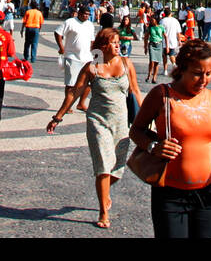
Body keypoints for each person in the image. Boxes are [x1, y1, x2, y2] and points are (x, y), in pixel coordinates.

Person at [129, 40, 211, 239]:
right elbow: (136, 130)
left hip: (206, 194)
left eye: (209, 73)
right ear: (182, 69)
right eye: (197, 73)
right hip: (170, 194)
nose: (203, 80)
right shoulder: (162, 95)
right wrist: (153, 146)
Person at [47, 28, 142, 228]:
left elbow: (135, 90)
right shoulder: (92, 68)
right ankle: (103, 211)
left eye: (118, 42)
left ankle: (104, 191)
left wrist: (145, 118)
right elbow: (74, 93)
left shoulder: (126, 64)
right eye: (114, 42)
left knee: (116, 168)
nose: (118, 46)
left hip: (121, 123)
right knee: (103, 167)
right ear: (103, 46)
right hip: (98, 122)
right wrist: (58, 117)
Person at [55, 5, 95, 111]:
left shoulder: (90, 25)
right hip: (72, 56)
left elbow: (92, 40)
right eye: (84, 14)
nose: (86, 16)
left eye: (88, 15)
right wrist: (61, 47)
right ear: (79, 13)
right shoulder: (70, 22)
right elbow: (58, 33)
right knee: (71, 83)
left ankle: (81, 103)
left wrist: (93, 51)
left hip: (86, 57)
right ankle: (67, 105)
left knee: (89, 83)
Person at [145, 12, 165, 82]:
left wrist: (167, 46)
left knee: (157, 62)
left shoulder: (161, 27)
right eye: (151, 20)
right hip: (152, 44)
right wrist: (145, 47)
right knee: (152, 60)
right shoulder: (150, 28)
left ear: (156, 20)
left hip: (159, 44)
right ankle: (149, 74)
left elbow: (165, 36)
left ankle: (154, 77)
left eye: (152, 20)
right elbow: (146, 37)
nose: (151, 21)